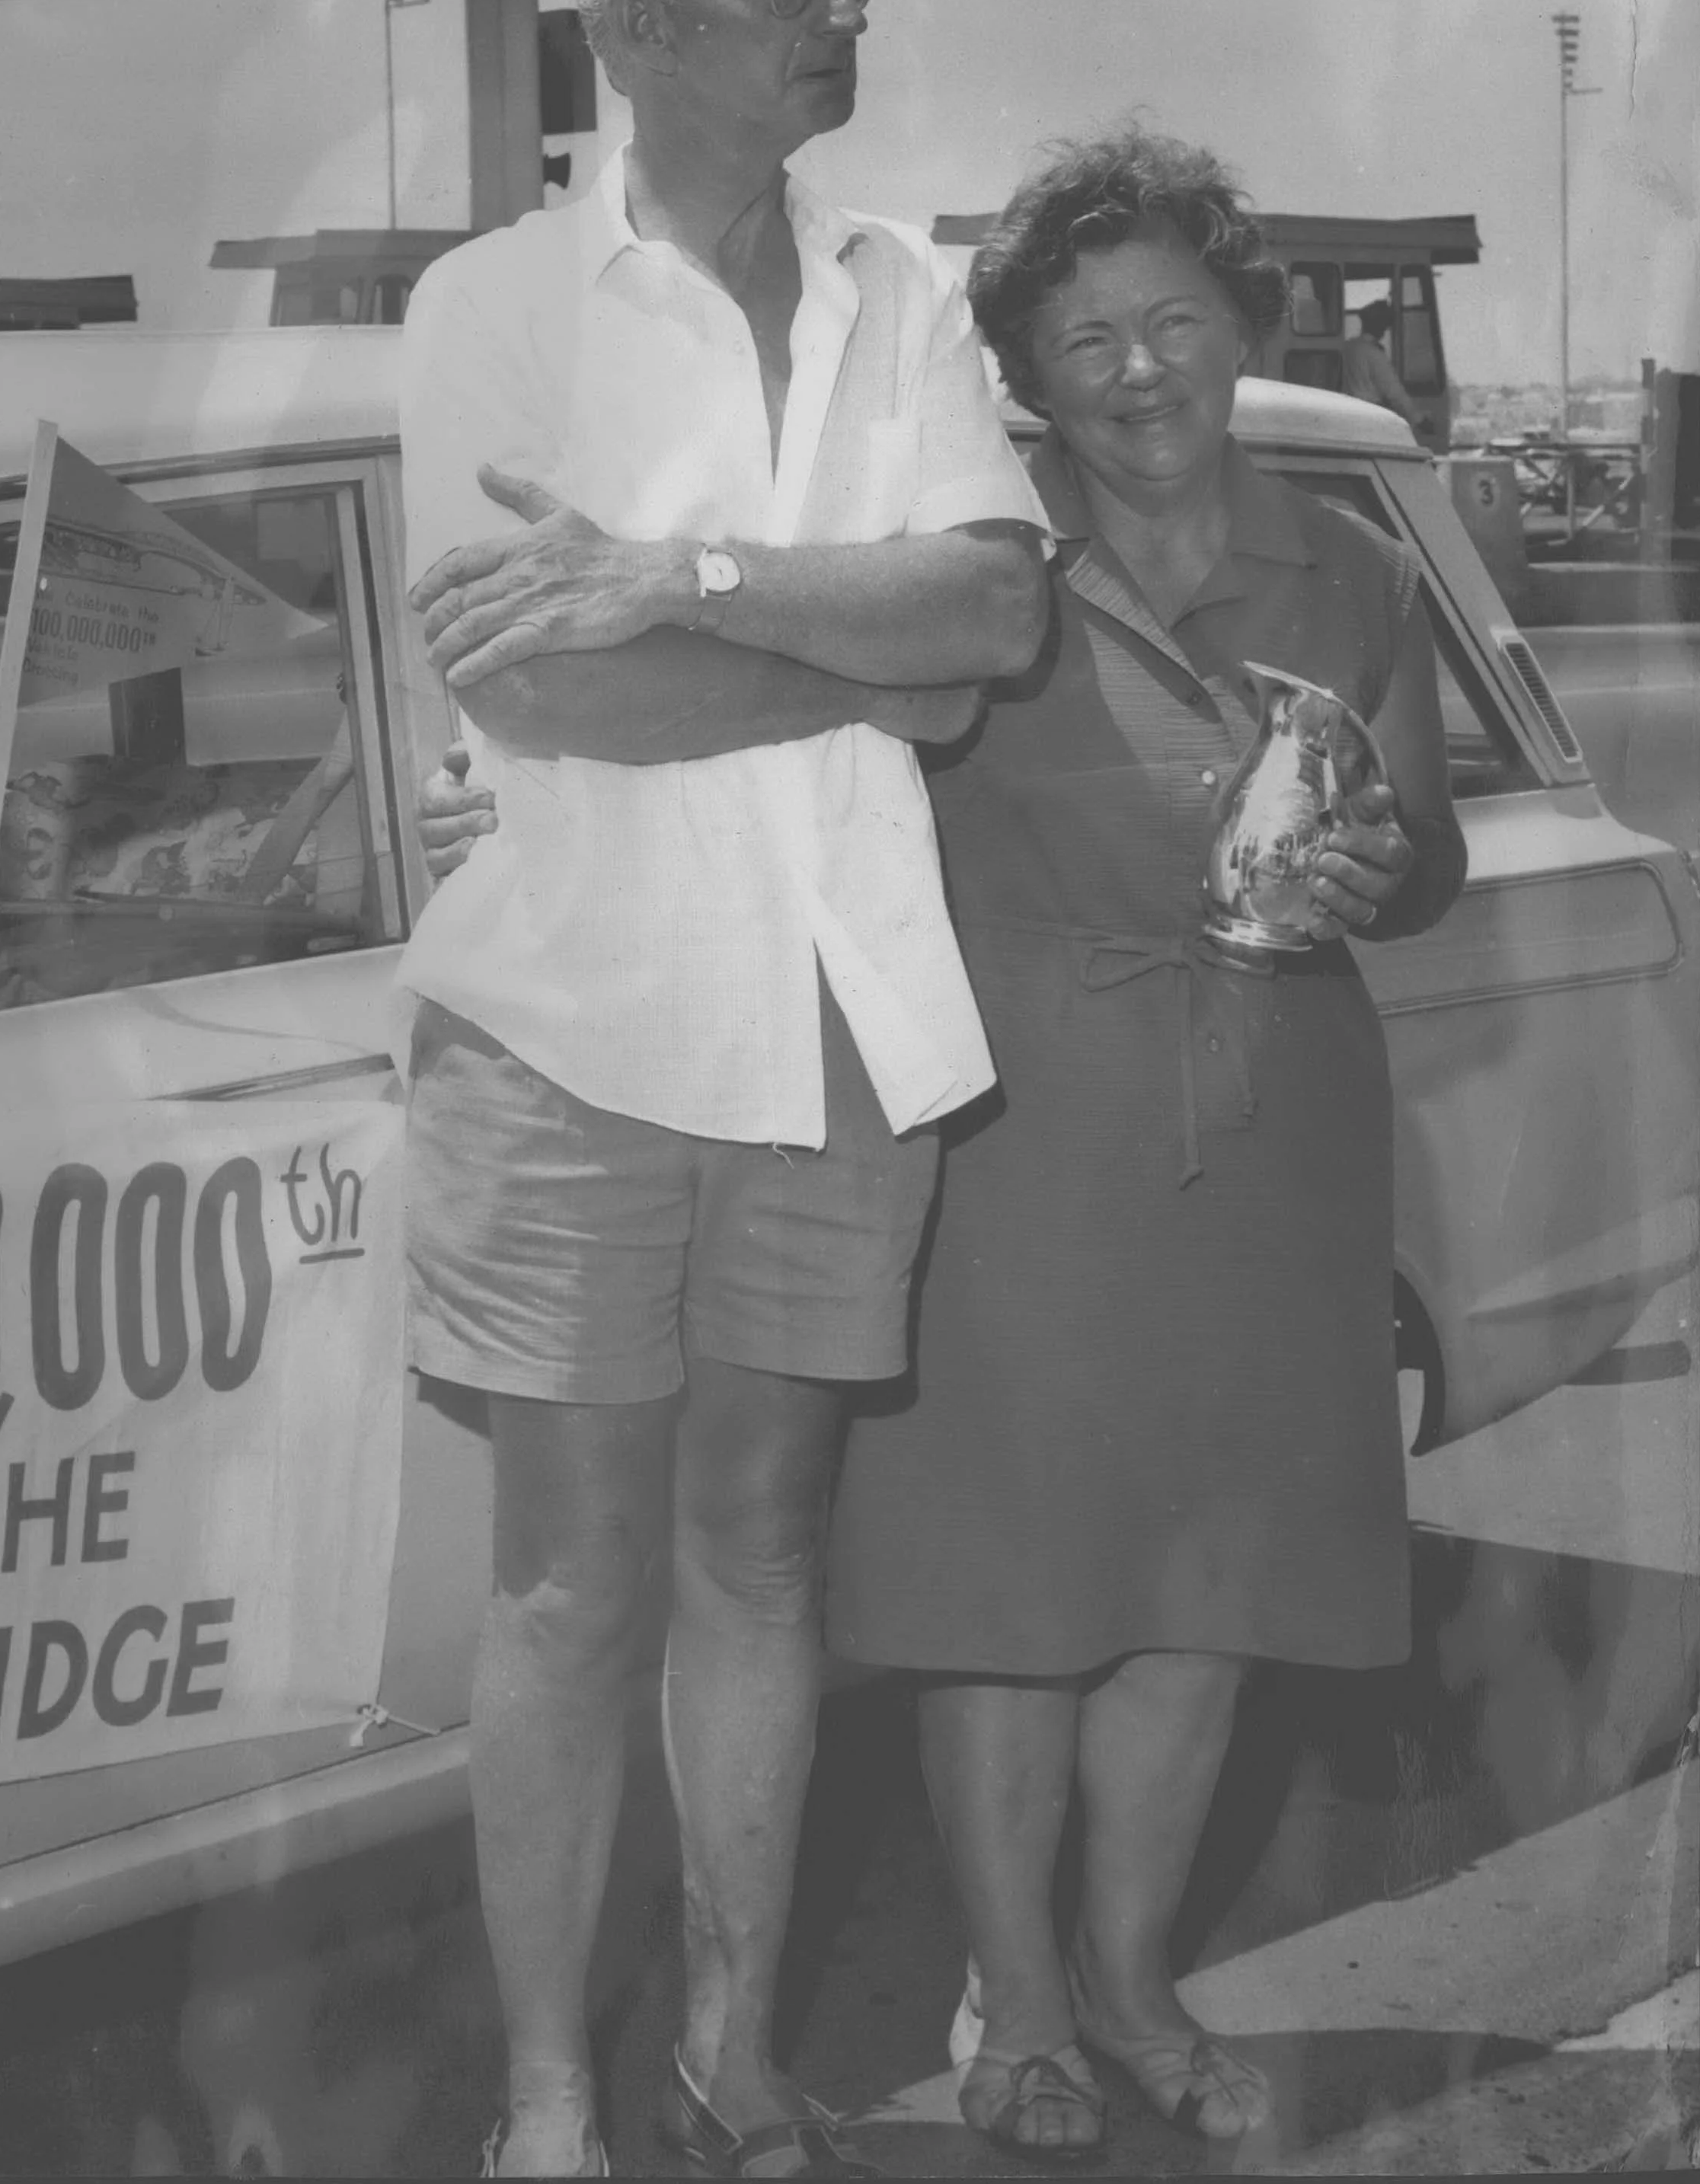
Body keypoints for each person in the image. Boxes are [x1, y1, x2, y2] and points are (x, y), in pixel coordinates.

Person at [420, 128, 1466, 2166]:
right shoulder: (979, 556)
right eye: (1082, 342)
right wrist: (510, 798)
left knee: (1204, 1593)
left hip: (1269, 1124)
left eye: (1174, 321)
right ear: (1027, 380)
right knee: (1022, 1599)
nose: (1137, 372)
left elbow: (1422, 849)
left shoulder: (1351, 568)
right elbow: (757, 735)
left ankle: (1137, 1977)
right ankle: (1025, 2010)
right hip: (1020, 1121)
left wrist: (1372, 859)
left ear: (1246, 324)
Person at [395, 0, 1051, 2178]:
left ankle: (732, 2041)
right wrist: (847, 646)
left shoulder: (910, 290)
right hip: (569, 1025)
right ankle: (554, 2089)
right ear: (636, 20)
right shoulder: (491, 305)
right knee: (574, 1578)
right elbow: (553, 706)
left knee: (762, 1551)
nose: (844, 13)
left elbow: (991, 629)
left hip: (834, 1015)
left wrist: (677, 578)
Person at [1344, 301, 1419, 426]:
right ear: (1380, 326)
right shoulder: (1374, 354)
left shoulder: (1347, 348)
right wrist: (1418, 419)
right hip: (1370, 415)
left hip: (1347, 413)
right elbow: (1394, 392)